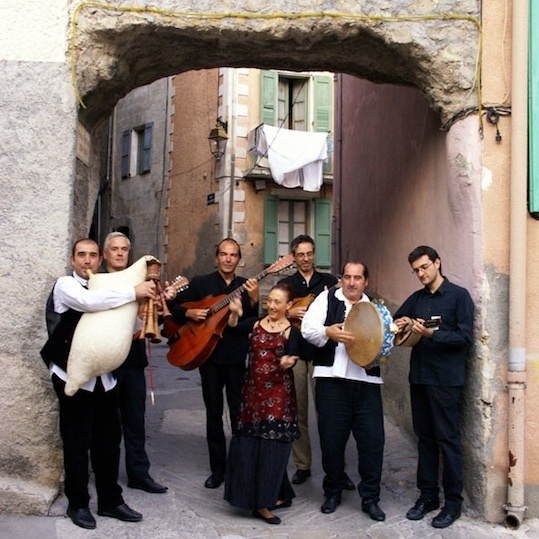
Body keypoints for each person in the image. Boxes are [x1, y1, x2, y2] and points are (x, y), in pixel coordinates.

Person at [40, 238, 157, 529]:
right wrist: (133, 291)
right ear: (73, 259)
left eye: (92, 255)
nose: (87, 260)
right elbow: (89, 303)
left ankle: (110, 501)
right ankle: (78, 504)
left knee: (108, 442)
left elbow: (123, 326)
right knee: (77, 443)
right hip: (71, 376)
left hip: (104, 378)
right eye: (82, 255)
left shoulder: (108, 284)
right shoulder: (65, 286)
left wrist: (144, 310)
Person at [393, 245, 474, 529]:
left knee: (447, 441)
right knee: (424, 439)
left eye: (424, 267)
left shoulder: (459, 296)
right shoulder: (416, 299)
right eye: (416, 270)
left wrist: (430, 334)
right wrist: (401, 321)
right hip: (420, 378)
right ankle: (428, 497)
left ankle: (453, 504)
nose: (421, 273)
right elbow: (396, 320)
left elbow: (463, 337)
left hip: (446, 381)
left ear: (437, 262)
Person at [170, 238, 259, 489]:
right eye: (223, 254)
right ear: (216, 257)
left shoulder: (245, 285)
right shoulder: (201, 283)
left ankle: (240, 468)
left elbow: (252, 320)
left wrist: (254, 299)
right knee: (213, 414)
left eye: (233, 255)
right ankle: (217, 470)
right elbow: (173, 304)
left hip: (235, 359)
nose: (228, 259)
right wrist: (188, 313)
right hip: (207, 356)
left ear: (239, 260)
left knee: (238, 414)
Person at [301, 261, 386, 521]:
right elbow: (307, 329)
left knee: (373, 443)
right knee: (332, 442)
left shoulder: (375, 307)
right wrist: (328, 332)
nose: (351, 282)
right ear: (342, 279)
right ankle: (333, 491)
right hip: (331, 381)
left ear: (365, 281)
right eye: (347, 277)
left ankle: (370, 498)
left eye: (357, 277)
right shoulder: (326, 299)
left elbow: (386, 342)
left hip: (366, 384)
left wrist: (380, 352)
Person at [278, 235, 353, 488]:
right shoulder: (286, 284)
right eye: (300, 254)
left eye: (309, 253)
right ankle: (303, 465)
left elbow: (344, 308)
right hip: (296, 352)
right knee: (298, 411)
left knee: (329, 413)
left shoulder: (330, 282)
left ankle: (338, 469)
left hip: (323, 353)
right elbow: (273, 313)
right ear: (294, 257)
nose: (306, 258)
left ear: (314, 254)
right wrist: (289, 312)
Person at [224, 284, 300, 525]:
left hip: (278, 395)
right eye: (270, 301)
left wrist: (290, 360)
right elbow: (234, 329)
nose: (272, 306)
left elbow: (298, 353)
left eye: (278, 302)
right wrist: (235, 313)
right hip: (253, 393)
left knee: (272, 446)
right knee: (251, 443)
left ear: (289, 306)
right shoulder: (256, 324)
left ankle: (262, 504)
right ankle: (280, 494)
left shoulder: (291, 331)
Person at [102, 232, 169, 494]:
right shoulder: (99, 282)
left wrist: (160, 310)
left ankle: (138, 474)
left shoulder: (143, 281)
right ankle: (103, 471)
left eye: (124, 249)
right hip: (106, 359)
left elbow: (152, 323)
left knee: (135, 421)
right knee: (106, 423)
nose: (119, 253)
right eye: (115, 249)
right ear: (105, 253)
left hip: (132, 361)